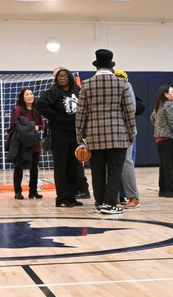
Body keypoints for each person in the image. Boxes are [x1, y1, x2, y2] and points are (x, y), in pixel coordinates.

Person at [77, 49, 135, 215]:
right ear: (111, 66)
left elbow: (81, 113)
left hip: (94, 135)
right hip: (118, 135)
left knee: (97, 171)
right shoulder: (122, 84)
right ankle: (110, 204)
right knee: (115, 171)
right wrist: (132, 133)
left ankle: (99, 202)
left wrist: (79, 134)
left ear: (96, 66)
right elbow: (129, 112)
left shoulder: (86, 85)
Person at [36, 68, 83, 208]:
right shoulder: (53, 91)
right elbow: (40, 104)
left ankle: (72, 197)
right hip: (59, 133)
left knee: (74, 166)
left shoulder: (77, 91)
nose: (61, 78)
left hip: (74, 133)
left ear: (69, 77)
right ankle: (62, 198)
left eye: (64, 75)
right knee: (61, 166)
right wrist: (55, 116)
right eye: (58, 76)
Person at [8, 86, 45, 200]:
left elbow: (41, 125)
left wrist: (33, 127)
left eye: (31, 94)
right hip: (21, 143)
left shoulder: (37, 110)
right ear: (23, 98)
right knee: (19, 167)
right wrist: (32, 127)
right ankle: (18, 192)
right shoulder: (18, 109)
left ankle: (33, 192)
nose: (30, 96)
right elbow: (15, 124)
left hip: (34, 142)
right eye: (27, 94)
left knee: (34, 168)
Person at [115, 68, 144, 208]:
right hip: (108, 131)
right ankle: (113, 196)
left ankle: (133, 196)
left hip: (125, 131)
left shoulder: (126, 86)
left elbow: (132, 109)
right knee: (110, 164)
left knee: (127, 162)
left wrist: (131, 131)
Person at [151, 84, 173, 197]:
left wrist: (160, 127)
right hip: (169, 138)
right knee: (170, 165)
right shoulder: (169, 105)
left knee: (164, 165)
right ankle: (170, 190)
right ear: (166, 94)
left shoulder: (159, 105)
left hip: (160, 138)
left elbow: (152, 118)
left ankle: (163, 189)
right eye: (172, 92)